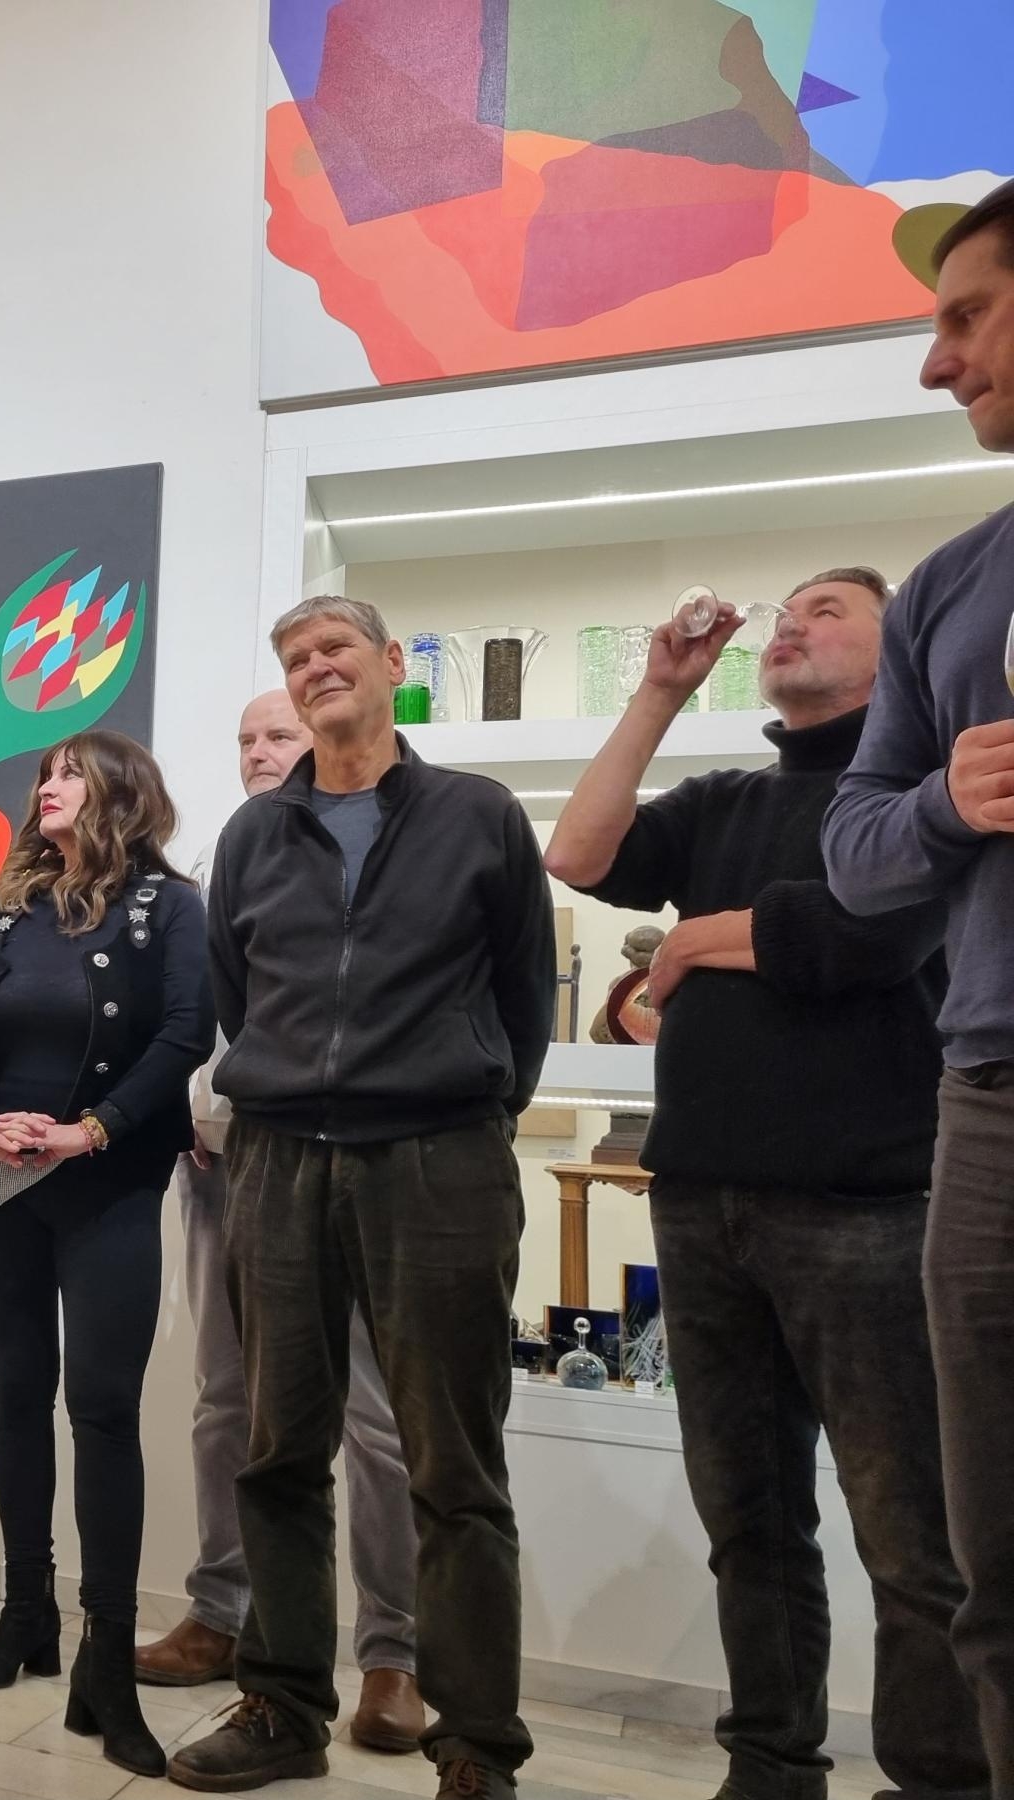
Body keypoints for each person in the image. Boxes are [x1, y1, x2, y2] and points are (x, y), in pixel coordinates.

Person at [549, 571, 983, 1799]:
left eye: (829, 608)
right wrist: (659, 691)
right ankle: (770, 1766)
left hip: (870, 1208)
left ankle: (944, 1779)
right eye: (786, 610)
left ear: (897, 650)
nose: (792, 622)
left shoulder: (918, 794)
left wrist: (699, 936)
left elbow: (869, 936)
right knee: (747, 1518)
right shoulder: (725, 798)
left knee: (911, 1535)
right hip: (701, 1199)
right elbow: (577, 853)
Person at [171, 596, 552, 1797]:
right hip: (280, 1161)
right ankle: (284, 1709)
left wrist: (466, 1104)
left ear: (391, 665)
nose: (315, 668)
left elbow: (525, 996)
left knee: (454, 1467)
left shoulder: (478, 816)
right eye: (295, 659)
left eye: (334, 649)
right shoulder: (253, 834)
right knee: (278, 1451)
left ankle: (476, 1744)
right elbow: (238, 997)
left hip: (438, 1160)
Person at [136, 689, 423, 1757]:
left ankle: (393, 1657)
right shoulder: (224, 860)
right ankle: (222, 1615)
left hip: (344, 1166)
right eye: (248, 738)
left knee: (374, 1421)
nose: (260, 752)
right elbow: (196, 1021)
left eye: (280, 735)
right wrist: (183, 1112)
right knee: (225, 1404)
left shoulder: (383, 851)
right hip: (221, 1170)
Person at [825, 175, 1014, 1789]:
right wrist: (952, 800)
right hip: (991, 1109)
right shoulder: (951, 591)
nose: (935, 362)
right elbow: (857, 856)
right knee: (991, 1580)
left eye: (968, 317)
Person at [0, 730, 213, 1781]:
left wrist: (92, 1129)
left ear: (119, 794)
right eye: (44, 775)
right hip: (2, 1184)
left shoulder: (170, 906)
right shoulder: (9, 905)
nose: (47, 787)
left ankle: (107, 1659)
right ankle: (27, 1615)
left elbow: (187, 1032)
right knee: (17, 1396)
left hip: (107, 1185)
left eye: (69, 773)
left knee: (100, 1411)